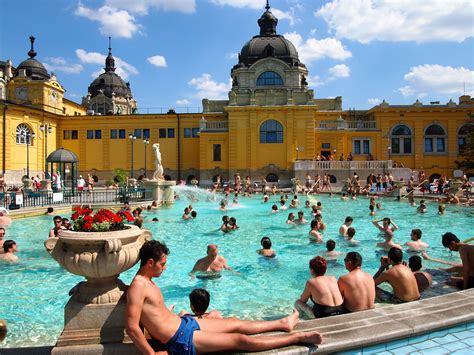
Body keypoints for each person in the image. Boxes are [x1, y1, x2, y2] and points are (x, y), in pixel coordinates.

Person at [126, 240, 322, 354]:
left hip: (184, 323)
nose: (165, 267)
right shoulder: (137, 286)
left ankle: (283, 323)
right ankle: (297, 337)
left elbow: (153, 314)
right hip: (180, 338)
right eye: (162, 264)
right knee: (240, 340)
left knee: (234, 322)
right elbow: (132, 327)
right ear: (150, 262)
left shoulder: (148, 280)